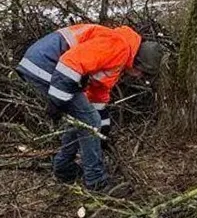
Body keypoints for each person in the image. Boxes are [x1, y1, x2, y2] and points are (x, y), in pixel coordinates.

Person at [15, 24, 163, 191]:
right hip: (46, 66)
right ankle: (96, 181)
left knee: (85, 120)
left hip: (45, 65)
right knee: (89, 121)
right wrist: (57, 100)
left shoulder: (121, 53)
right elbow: (70, 63)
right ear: (139, 63)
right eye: (143, 74)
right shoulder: (118, 46)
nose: (140, 78)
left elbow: (97, 93)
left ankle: (64, 169)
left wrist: (103, 130)